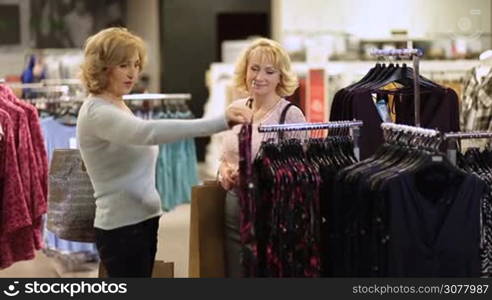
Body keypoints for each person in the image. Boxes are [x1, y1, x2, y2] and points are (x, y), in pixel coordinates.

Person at [76, 27, 252, 277]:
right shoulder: (97, 111)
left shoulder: (117, 103)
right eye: (123, 65)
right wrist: (219, 122)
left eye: (136, 64)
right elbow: (147, 133)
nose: (133, 73)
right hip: (122, 228)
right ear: (103, 66)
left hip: (142, 221)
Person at [217, 38, 306, 277]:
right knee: (235, 270)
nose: (260, 76)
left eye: (269, 71)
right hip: (234, 204)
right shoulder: (236, 107)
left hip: (270, 209)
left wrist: (256, 174)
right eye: (254, 68)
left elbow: (298, 172)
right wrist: (224, 171)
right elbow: (224, 156)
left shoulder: (290, 115)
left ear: (281, 77)